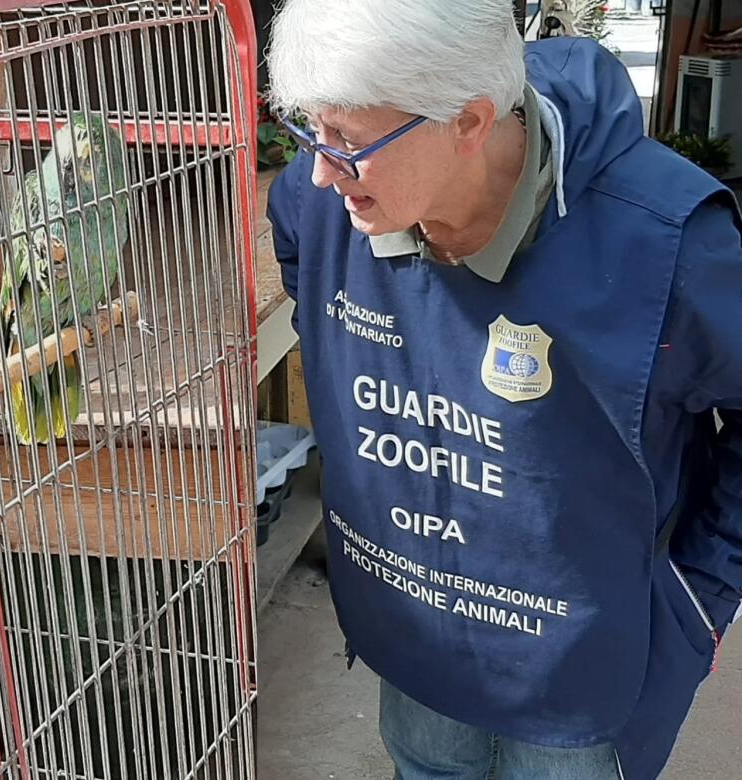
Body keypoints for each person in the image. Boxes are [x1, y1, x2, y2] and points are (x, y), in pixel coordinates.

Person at [264, 1, 742, 778]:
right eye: (310, 129)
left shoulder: (665, 242)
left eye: (348, 139)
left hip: (583, 677)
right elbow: (305, 268)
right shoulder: (321, 201)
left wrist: (701, 593)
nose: (321, 168)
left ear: (469, 122)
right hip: (412, 634)